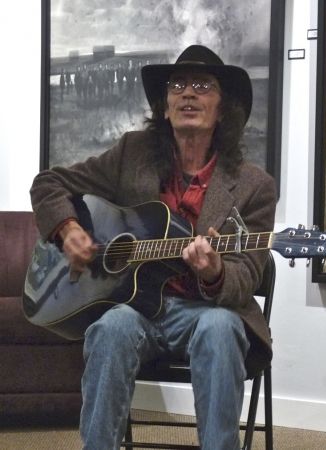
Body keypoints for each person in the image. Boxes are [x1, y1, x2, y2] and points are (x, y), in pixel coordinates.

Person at [29, 44, 276, 449]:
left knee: (220, 328)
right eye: (178, 85)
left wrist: (215, 271)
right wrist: (68, 228)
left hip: (206, 311)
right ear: (164, 107)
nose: (188, 93)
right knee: (109, 328)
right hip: (136, 309)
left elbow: (246, 275)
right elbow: (48, 183)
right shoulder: (132, 154)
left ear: (223, 110)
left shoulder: (255, 186)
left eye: (203, 86)